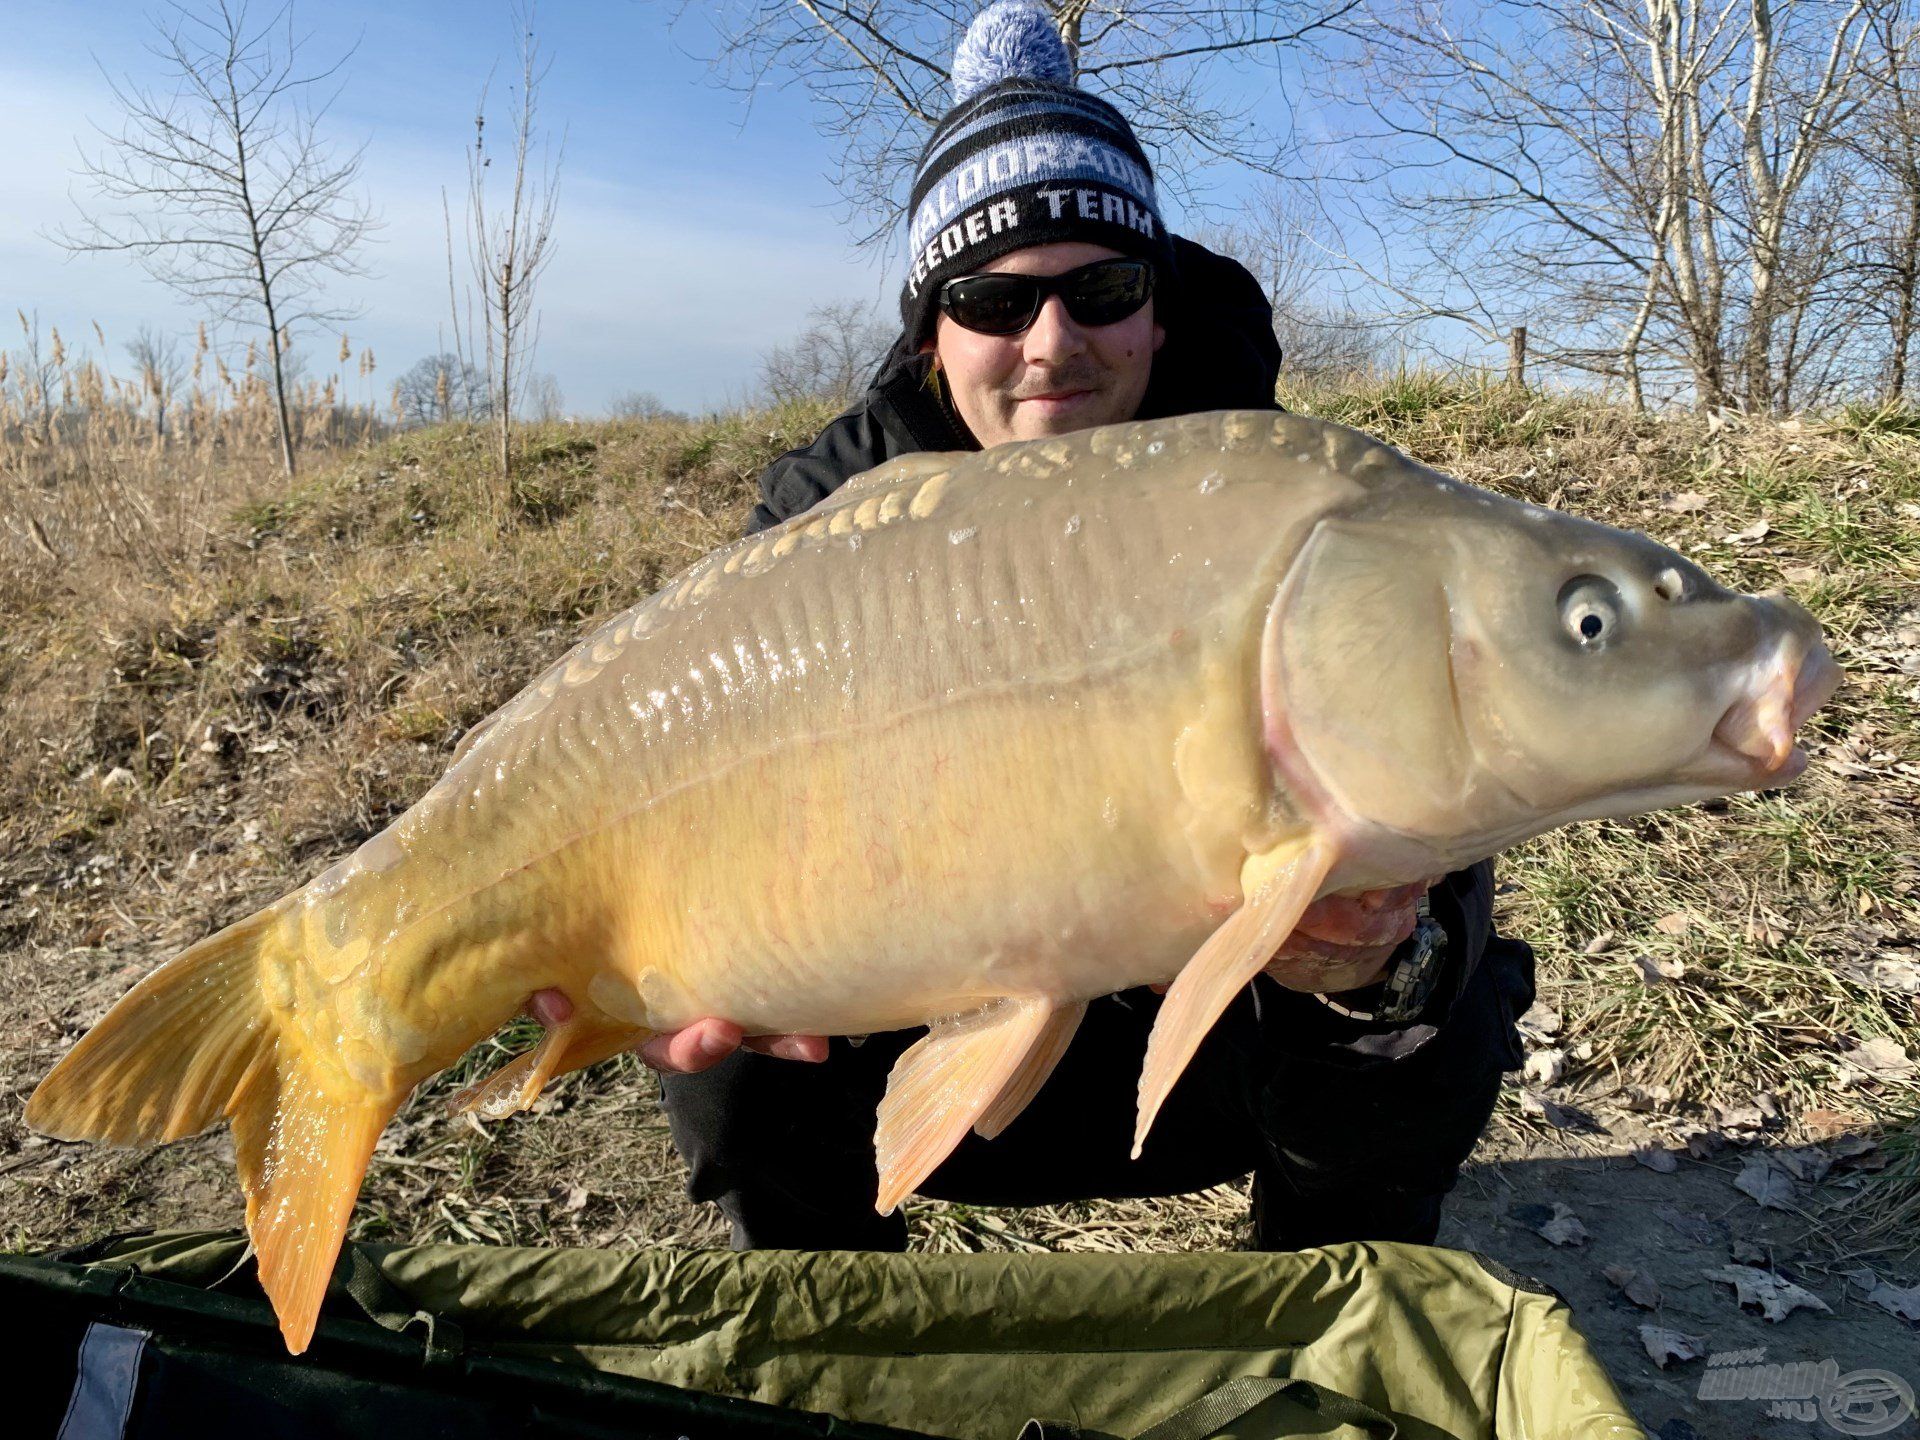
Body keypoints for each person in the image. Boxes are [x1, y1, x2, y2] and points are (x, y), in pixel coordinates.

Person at [534, 0, 1536, 1252]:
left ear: (1157, 311)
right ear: (932, 333)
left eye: (1102, 289)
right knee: (726, 1048)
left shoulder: (1293, 500)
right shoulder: (821, 520)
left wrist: (1373, 960)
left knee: (1422, 915)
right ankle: (829, 1337)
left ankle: (1333, 1308)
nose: (1051, 345)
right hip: (934, 1058)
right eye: (993, 302)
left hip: (1222, 1063)